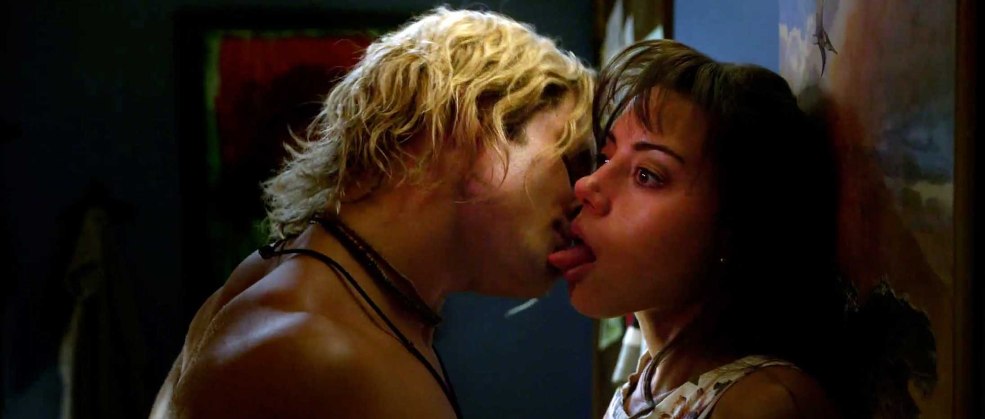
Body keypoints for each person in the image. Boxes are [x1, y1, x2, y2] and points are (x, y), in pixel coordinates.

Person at [150, 7, 593, 418]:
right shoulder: (310, 353)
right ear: (474, 129)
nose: (583, 198)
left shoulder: (323, 291)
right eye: (573, 162)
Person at [549, 39, 849, 418]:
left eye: (647, 174)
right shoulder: (647, 379)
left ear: (734, 230)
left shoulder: (761, 405)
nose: (586, 185)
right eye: (606, 158)